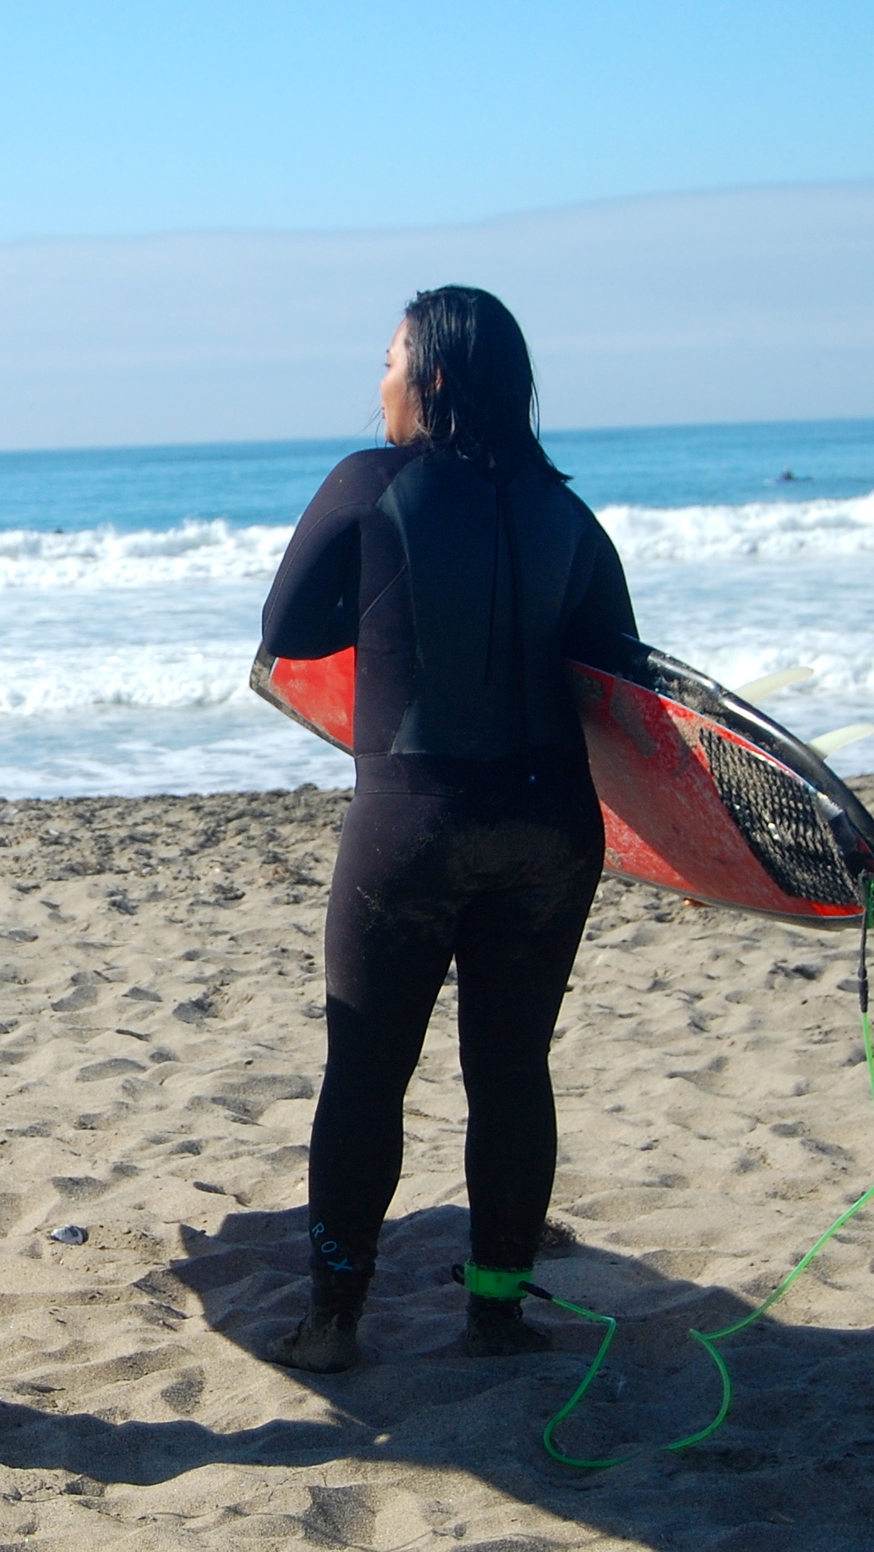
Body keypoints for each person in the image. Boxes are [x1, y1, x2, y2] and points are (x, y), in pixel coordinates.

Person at [256, 287, 637, 1369]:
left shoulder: (371, 483)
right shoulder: (569, 511)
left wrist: (374, 607)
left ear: (426, 377)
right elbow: (621, 685)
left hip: (414, 824)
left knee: (367, 1072)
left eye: (385, 359)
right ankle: (497, 1312)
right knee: (511, 1070)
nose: (374, 379)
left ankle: (332, 1322)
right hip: (551, 830)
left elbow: (285, 630)